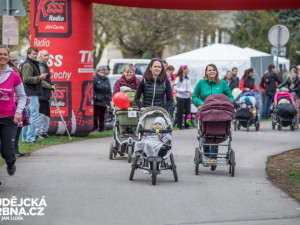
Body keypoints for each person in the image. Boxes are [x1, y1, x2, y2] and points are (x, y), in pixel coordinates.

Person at [192, 64, 233, 170]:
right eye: (209, 70)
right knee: (206, 132)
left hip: (219, 112)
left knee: (216, 132)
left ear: (216, 72)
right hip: (205, 111)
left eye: (214, 70)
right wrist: (201, 103)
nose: (212, 71)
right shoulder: (201, 83)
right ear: (206, 72)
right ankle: (206, 156)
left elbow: (230, 96)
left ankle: (213, 159)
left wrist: (228, 103)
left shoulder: (222, 83)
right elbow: (195, 96)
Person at [0, 45, 27, 176]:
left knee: (7, 151)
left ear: (8, 57)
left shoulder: (14, 75)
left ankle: (11, 162)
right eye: (0, 54)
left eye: (5, 54)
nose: (2, 56)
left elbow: (22, 96)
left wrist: (18, 112)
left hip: (9, 118)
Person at [21, 47, 47, 144]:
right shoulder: (28, 64)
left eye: (36, 54)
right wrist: (39, 77)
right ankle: (31, 138)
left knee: (27, 116)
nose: (35, 56)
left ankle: (25, 138)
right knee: (33, 116)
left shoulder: (30, 63)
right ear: (28, 54)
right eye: (33, 54)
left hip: (29, 93)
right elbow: (26, 79)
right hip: (31, 93)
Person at [36, 50, 54, 139]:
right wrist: (50, 86)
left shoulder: (45, 65)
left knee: (46, 114)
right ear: (40, 56)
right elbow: (41, 81)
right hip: (41, 93)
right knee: (41, 113)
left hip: (45, 94)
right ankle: (37, 133)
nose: (47, 57)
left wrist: (51, 85)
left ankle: (44, 132)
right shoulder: (40, 66)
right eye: (45, 55)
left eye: (48, 55)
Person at [93, 65, 112, 132]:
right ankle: (95, 128)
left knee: (103, 116)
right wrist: (95, 97)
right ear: (98, 71)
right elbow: (92, 89)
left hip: (105, 101)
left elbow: (109, 89)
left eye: (104, 70)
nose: (103, 71)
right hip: (97, 101)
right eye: (102, 70)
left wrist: (109, 98)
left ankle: (102, 128)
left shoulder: (107, 79)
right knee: (96, 115)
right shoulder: (95, 78)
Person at [174, 65, 193, 129]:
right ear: (182, 70)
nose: (187, 70)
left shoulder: (187, 78)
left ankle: (187, 125)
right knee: (180, 112)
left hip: (187, 97)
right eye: (186, 69)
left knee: (188, 112)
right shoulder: (178, 78)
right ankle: (179, 125)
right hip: (180, 97)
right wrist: (183, 90)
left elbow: (190, 87)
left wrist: (191, 91)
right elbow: (175, 88)